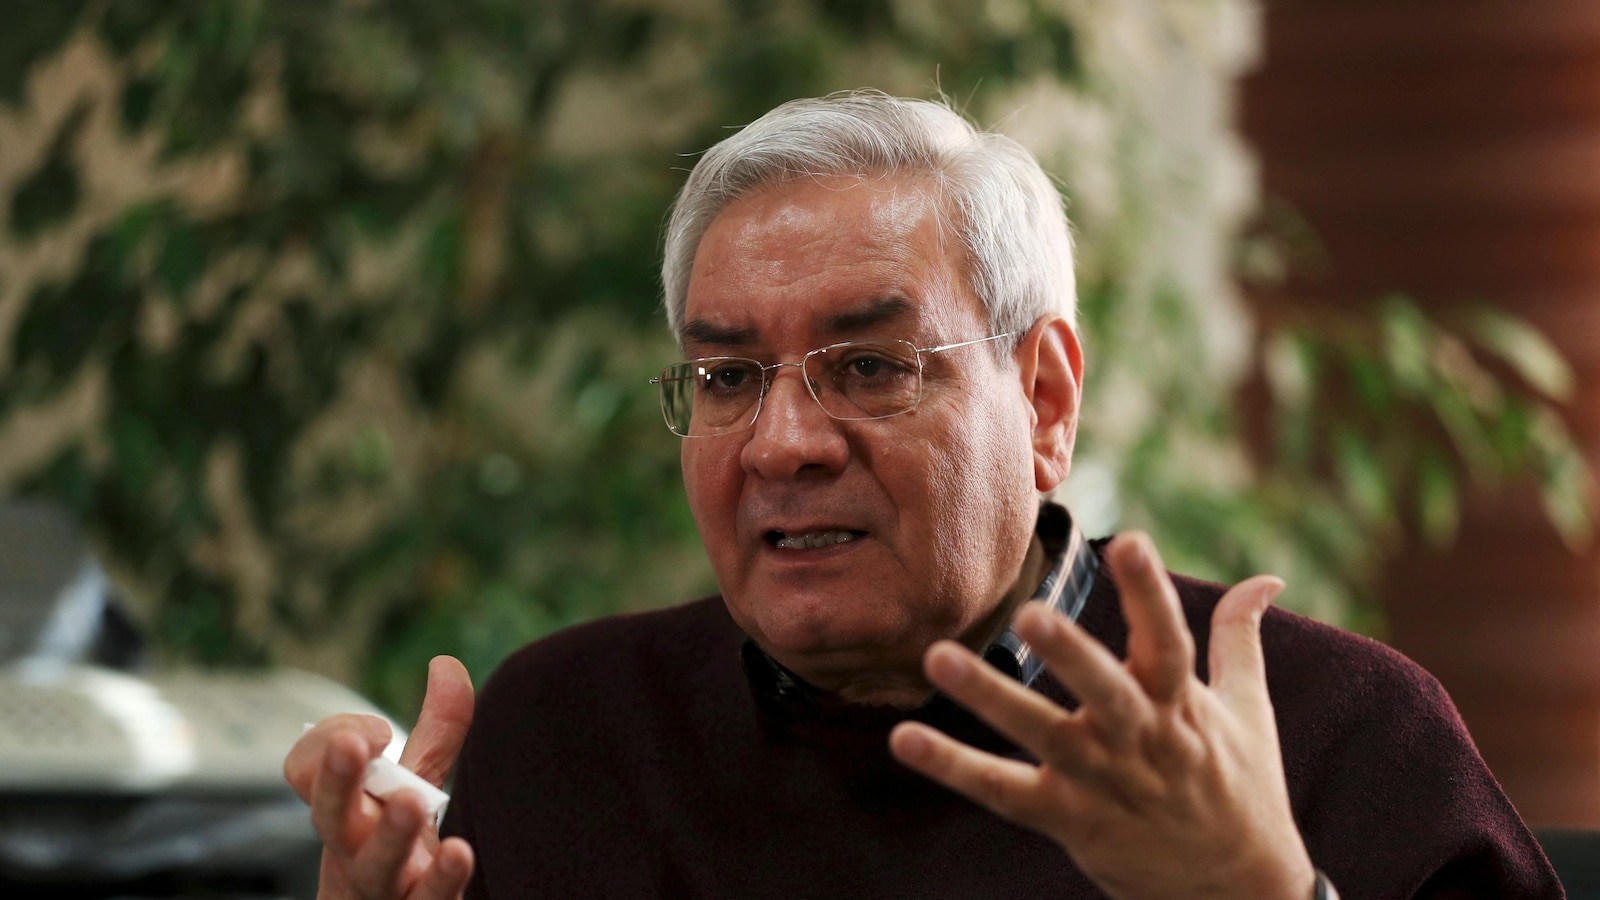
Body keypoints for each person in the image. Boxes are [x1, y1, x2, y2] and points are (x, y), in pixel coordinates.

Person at [284, 91, 1564, 899]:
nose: (783, 443)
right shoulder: (571, 735)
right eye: (727, 376)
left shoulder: (1322, 737)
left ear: (1044, 400)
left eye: (869, 368)